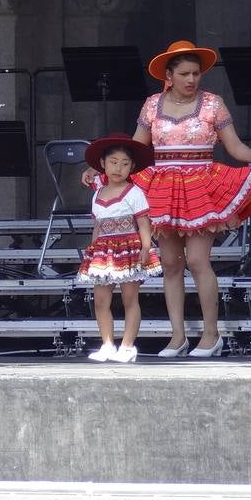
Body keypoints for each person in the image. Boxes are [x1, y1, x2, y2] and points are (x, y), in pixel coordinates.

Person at [83, 40, 251, 358]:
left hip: (200, 186)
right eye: (185, 74)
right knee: (170, 263)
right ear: (169, 75)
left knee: (197, 261)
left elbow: (234, 148)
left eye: (196, 73)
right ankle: (177, 336)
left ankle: (211, 334)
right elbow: (135, 149)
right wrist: (101, 168)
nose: (192, 80)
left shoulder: (213, 104)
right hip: (163, 186)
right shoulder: (152, 105)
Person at [77, 134, 160, 363]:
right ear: (102, 164)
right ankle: (107, 344)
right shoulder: (97, 194)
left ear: (132, 166)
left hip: (128, 249)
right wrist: (93, 250)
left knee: (129, 299)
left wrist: (145, 247)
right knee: (101, 300)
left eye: (125, 163)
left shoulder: (134, 193)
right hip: (103, 251)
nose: (118, 168)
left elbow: (144, 222)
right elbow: (97, 225)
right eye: (113, 162)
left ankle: (127, 345)